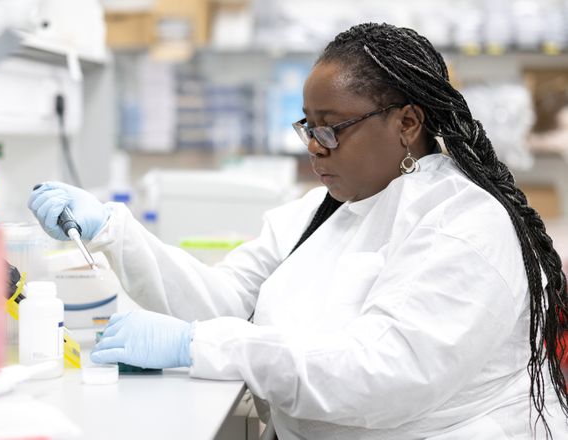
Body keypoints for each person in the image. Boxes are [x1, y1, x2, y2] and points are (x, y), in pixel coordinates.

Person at [28, 23, 568, 439]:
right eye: (309, 126)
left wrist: (204, 346)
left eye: (332, 128)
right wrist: (114, 231)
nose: (314, 145)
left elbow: (384, 374)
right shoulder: (323, 210)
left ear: (407, 123)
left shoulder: (462, 225)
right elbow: (225, 301)